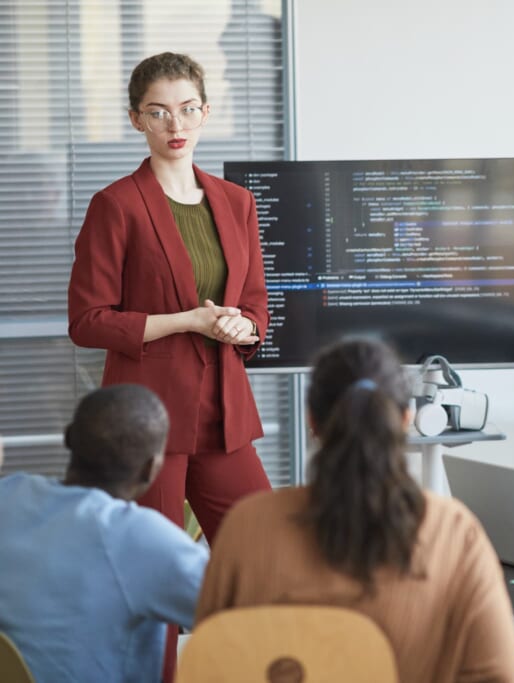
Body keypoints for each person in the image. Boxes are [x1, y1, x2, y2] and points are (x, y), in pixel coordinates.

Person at [67, 52, 271, 680]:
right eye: (157, 112)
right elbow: (88, 321)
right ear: (136, 120)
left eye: (186, 109)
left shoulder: (236, 202)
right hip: (149, 424)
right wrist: (186, 320)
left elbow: (256, 309)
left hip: (225, 415)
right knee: (150, 585)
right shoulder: (117, 204)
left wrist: (242, 328)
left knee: (264, 558)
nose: (174, 124)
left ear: (205, 113)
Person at [195, 338, 514, 683]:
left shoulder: (249, 525)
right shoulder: (453, 531)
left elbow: (212, 663)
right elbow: (499, 672)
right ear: (405, 419)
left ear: (311, 420)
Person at [0, 385, 208, 682]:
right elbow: (250, 615)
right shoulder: (139, 538)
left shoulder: (9, 496)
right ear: (151, 468)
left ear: (69, 439)